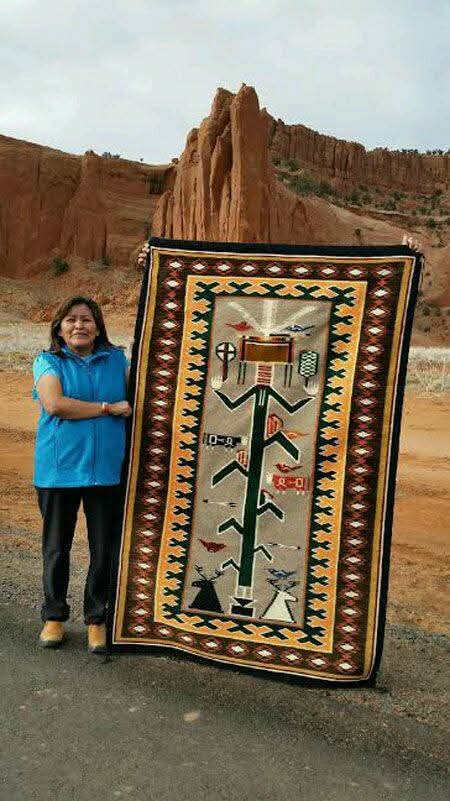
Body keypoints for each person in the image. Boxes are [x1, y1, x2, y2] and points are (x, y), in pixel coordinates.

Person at [32, 296, 132, 654]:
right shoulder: (48, 362)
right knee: (57, 548)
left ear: (98, 326)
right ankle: (54, 617)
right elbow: (55, 404)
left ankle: (96, 620)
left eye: (87, 320)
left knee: (103, 549)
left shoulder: (118, 361)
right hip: (58, 472)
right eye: (72, 319)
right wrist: (107, 408)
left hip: (106, 471)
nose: (79, 326)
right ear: (59, 327)